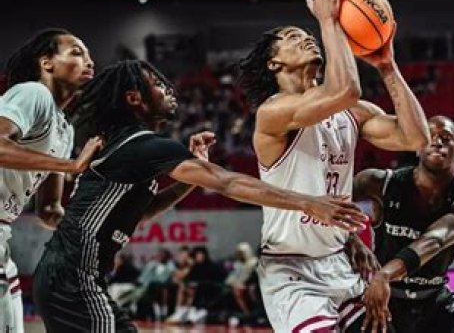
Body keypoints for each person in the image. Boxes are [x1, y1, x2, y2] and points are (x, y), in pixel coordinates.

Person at [32, 59, 367, 332]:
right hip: (73, 277)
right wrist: (306, 202)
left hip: (68, 276)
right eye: (157, 84)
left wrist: (188, 181)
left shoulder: (126, 147)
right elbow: (226, 183)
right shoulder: (142, 145)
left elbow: (143, 212)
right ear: (134, 99)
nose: (168, 89)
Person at [234, 0, 429, 332]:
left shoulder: (352, 112)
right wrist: (328, 22)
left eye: (308, 34)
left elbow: (415, 138)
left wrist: (387, 66)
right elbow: (344, 89)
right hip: (291, 269)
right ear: (274, 63)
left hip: (339, 262)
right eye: (293, 37)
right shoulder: (273, 112)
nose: (307, 38)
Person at [0, 28, 102, 332]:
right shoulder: (33, 93)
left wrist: (94, 228)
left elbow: (48, 211)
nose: (89, 61)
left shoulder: (65, 130)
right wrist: (70, 165)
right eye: (77, 52)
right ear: (46, 62)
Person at [353, 115, 454, 333]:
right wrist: (352, 240)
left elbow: (434, 241)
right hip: (384, 300)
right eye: (430, 136)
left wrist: (385, 274)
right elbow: (330, 206)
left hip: (433, 300)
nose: (437, 142)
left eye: (446, 138)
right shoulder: (378, 182)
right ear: (418, 147)